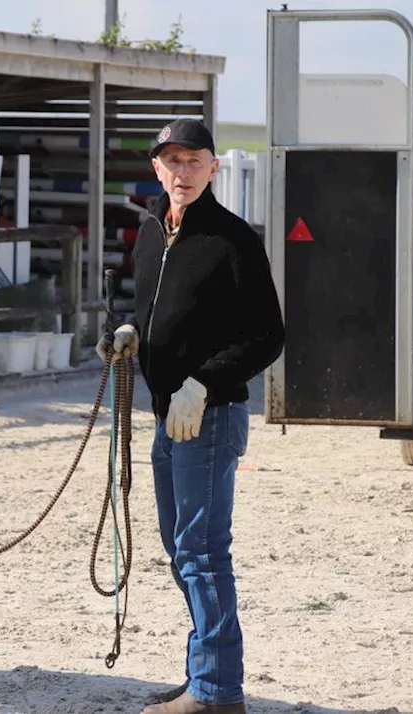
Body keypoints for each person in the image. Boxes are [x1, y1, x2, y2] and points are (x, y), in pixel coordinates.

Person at [97, 117, 285, 714]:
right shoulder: (153, 230)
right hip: (163, 414)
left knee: (202, 551)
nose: (182, 172)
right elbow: (151, 309)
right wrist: (128, 334)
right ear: (157, 167)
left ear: (213, 167)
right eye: (171, 161)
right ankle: (204, 675)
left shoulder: (234, 240)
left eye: (193, 161)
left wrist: (203, 383)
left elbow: (267, 336)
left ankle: (217, 692)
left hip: (209, 413)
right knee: (182, 550)